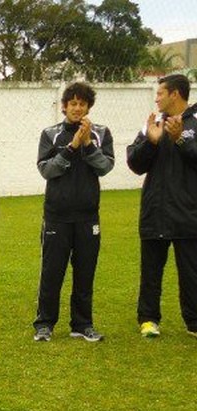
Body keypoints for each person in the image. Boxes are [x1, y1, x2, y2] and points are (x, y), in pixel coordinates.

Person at [33, 82, 115, 343]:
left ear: (88, 106)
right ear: (64, 107)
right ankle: (44, 324)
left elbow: (105, 167)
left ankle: (82, 324)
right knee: (51, 272)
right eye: (73, 104)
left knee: (85, 272)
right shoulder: (50, 134)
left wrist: (88, 145)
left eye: (82, 104)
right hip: (57, 216)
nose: (77, 108)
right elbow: (47, 170)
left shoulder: (101, 133)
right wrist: (71, 147)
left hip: (88, 217)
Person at [127, 73, 197, 339]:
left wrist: (181, 140)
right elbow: (135, 163)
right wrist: (151, 142)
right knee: (151, 271)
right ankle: (148, 319)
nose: (156, 98)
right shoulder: (152, 124)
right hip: (155, 212)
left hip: (188, 212)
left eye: (160, 93)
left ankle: (194, 322)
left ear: (175, 94)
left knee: (191, 272)